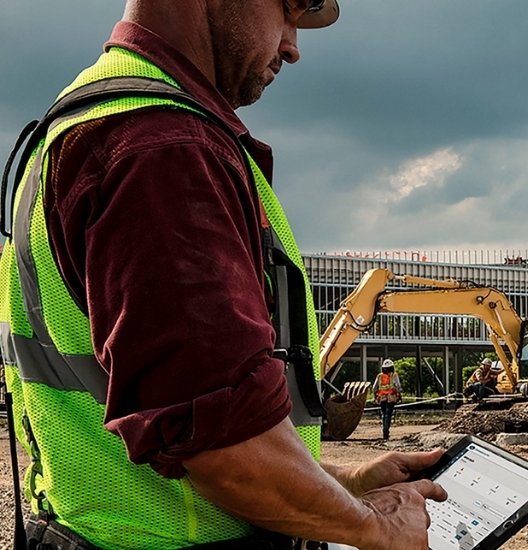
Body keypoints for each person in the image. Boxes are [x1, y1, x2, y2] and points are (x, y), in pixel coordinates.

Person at [0, 2, 448, 548]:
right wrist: (373, 525)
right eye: (286, 10)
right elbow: (221, 446)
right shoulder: (161, 149)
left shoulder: (87, 119)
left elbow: (180, 437)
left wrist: (345, 483)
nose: (292, 46)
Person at [374, 360, 403, 440]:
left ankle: (384, 430)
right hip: (391, 397)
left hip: (382, 397)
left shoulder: (379, 376)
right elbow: (398, 386)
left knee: (384, 414)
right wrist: (399, 394)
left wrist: (376, 396)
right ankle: (386, 430)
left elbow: (374, 388)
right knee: (388, 414)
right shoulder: (394, 375)